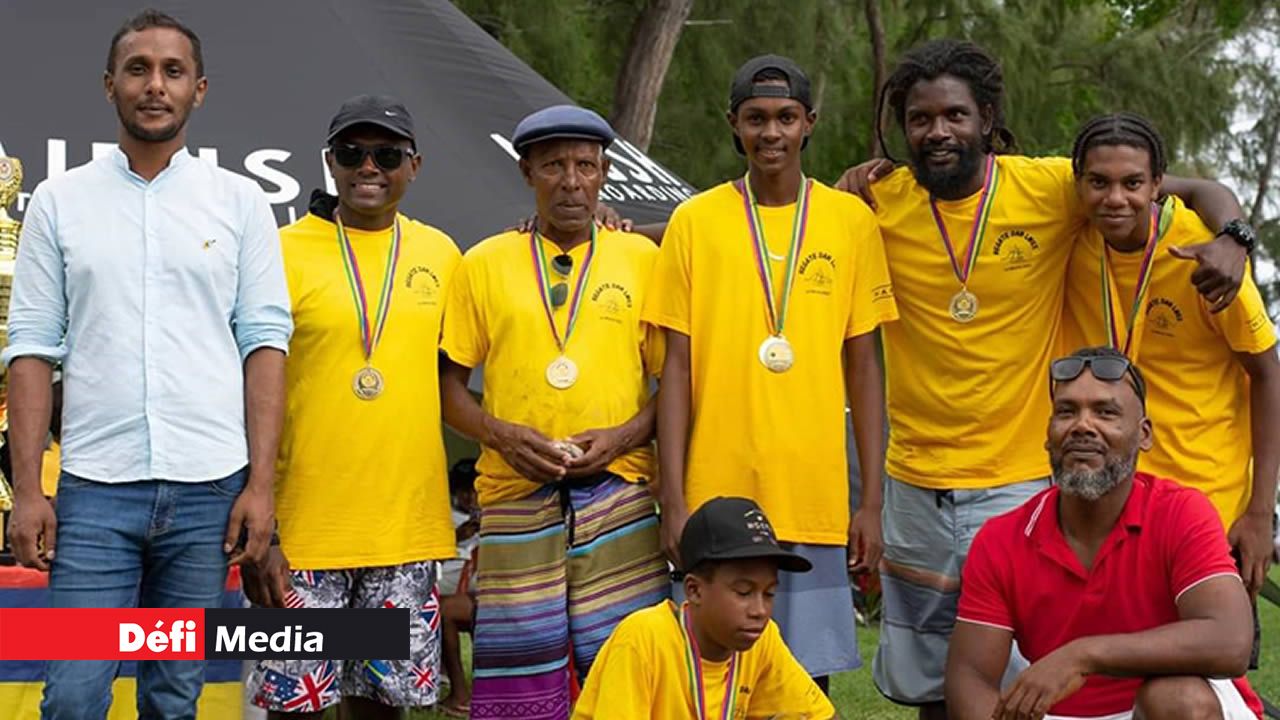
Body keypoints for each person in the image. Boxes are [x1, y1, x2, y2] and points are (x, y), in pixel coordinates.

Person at [833, 39, 1251, 718]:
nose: (937, 131)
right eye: (920, 118)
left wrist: (1235, 237)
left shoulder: (1052, 187)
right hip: (914, 479)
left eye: (955, 114)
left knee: (1023, 680)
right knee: (935, 682)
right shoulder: (874, 201)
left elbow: (1193, 188)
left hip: (1019, 477)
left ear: (987, 117)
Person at [2, 9, 291, 719]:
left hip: (208, 490)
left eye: (172, 71)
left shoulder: (239, 203)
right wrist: (29, 491)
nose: (155, 85)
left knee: (173, 697)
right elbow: (31, 347)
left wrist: (260, 487)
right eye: (138, 69)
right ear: (110, 86)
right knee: (73, 697)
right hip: (97, 492)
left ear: (199, 89)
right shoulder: (60, 202)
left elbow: (264, 347)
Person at [642, 55, 898, 690]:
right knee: (710, 678)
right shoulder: (694, 221)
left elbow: (865, 370)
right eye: (756, 118)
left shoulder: (850, 222)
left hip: (813, 496)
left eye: (786, 117)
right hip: (714, 498)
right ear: (734, 123)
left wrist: (871, 501)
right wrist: (674, 499)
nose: (771, 132)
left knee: (802, 685)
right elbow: (676, 371)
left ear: (810, 122)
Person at [439, 105, 668, 719]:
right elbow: (448, 390)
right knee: (521, 680)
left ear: (605, 173)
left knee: (626, 667)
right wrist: (501, 435)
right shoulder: (483, 262)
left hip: (620, 491)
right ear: (526, 173)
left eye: (585, 166)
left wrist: (622, 437)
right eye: (553, 166)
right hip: (515, 492)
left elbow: (675, 383)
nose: (571, 182)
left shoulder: (641, 259)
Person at [242, 94, 461, 719]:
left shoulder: (443, 256)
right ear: (330, 162)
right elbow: (245, 387)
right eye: (351, 153)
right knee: (296, 707)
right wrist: (265, 526)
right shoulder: (278, 250)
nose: (369, 166)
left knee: (381, 708)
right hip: (303, 532)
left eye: (386, 154)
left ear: (414, 165)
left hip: (403, 531)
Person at [946, 346, 1263, 720]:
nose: (1082, 425)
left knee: (1177, 699)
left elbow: (1230, 641)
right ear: (1048, 435)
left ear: (1144, 434)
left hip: (1170, 709)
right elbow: (970, 677)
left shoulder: (1181, 512)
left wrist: (1083, 655)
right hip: (1063, 715)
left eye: (1105, 412)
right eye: (1066, 411)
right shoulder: (1002, 537)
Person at [1061, 113, 1279, 602]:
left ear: (1157, 184)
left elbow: (1268, 376)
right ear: (1078, 184)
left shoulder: (1209, 260)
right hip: (1108, 503)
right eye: (1099, 183)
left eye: (1132, 183)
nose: (1115, 198)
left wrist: (1260, 513)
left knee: (1210, 647)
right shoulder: (1071, 238)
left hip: (1206, 504)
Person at [573, 496, 836, 719]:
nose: (759, 610)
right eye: (743, 592)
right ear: (694, 590)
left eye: (769, 593)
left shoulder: (761, 639)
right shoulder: (642, 639)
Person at [438, 458, 480, 717]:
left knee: (445, 611)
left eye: (474, 491)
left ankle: (461, 695)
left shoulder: (495, 512)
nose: (470, 498)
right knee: (437, 608)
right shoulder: (446, 518)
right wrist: (455, 537)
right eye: (464, 491)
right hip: (452, 589)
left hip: (492, 595)